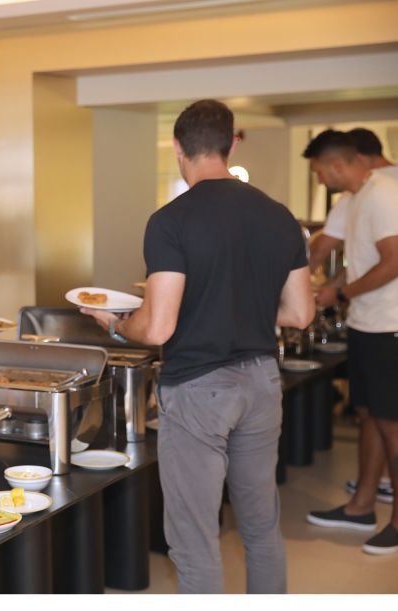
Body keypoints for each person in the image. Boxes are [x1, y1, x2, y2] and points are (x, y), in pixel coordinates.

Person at [81, 99, 314, 593]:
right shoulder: (280, 217)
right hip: (262, 382)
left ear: (177, 147)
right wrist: (239, 307)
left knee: (194, 538)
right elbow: (300, 314)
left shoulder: (171, 220)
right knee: (261, 526)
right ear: (232, 145)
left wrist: (118, 325)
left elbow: (158, 328)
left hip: (199, 386)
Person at [303, 129, 398, 555]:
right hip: (366, 323)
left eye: (320, 172)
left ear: (338, 164)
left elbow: (394, 260)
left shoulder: (383, 195)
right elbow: (363, 262)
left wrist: (341, 293)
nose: (320, 180)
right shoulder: (356, 199)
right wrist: (334, 287)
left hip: (390, 326)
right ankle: (361, 506)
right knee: (368, 416)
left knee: (391, 424)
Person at [308, 128, 398, 271]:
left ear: (359, 158)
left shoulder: (377, 190)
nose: (320, 181)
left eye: (320, 173)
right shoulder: (364, 190)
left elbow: (321, 249)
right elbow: (366, 260)